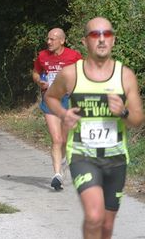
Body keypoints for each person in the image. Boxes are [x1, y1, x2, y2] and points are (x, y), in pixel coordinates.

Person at [45, 17, 144, 238]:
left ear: (113, 40)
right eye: (94, 35)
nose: (101, 39)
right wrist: (63, 113)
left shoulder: (125, 75)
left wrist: (124, 112)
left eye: (106, 34)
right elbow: (50, 97)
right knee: (94, 216)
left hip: (116, 157)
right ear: (84, 42)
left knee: (107, 226)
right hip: (83, 155)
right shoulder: (71, 74)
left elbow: (138, 118)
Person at [32, 28, 82, 190]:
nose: (48, 42)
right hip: (50, 99)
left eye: (52, 39)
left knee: (65, 140)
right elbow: (35, 73)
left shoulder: (73, 56)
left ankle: (64, 161)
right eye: (48, 39)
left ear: (62, 40)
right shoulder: (42, 56)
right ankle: (57, 175)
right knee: (56, 139)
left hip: (67, 100)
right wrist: (40, 82)